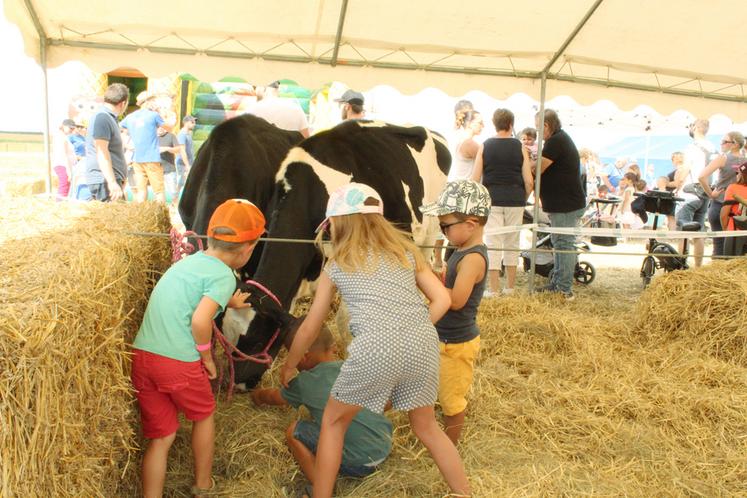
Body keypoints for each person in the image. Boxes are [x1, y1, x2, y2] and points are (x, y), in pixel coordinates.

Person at [280, 183, 470, 498]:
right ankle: (464, 493)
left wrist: (289, 364)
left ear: (339, 223)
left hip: (375, 349)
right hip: (423, 344)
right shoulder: (406, 252)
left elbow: (312, 324)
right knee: (427, 427)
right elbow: (442, 299)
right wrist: (412, 326)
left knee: (333, 423)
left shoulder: (338, 263)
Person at [130, 199, 264, 497]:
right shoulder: (223, 276)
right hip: (178, 362)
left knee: (162, 437)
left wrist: (228, 300)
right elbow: (201, 320)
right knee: (203, 416)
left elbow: (194, 294)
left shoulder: (191, 263)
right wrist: (207, 357)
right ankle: (203, 484)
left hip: (143, 358)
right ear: (247, 249)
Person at [251, 324, 393, 490]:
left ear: (303, 357)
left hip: (358, 463)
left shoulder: (303, 383)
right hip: (384, 445)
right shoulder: (352, 368)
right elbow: (387, 402)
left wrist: (257, 396)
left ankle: (321, 483)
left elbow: (274, 397)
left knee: (294, 432)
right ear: (333, 348)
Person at [420, 179, 489, 444]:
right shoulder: (460, 250)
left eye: (445, 225)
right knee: (438, 388)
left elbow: (457, 300)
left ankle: (449, 446)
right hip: (443, 335)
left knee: (452, 400)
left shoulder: (473, 258)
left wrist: (426, 283)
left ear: (470, 224)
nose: (442, 231)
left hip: (457, 343)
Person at [472, 108, 533, 295]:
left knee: (493, 242)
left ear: (494, 124)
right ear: (511, 125)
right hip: (515, 199)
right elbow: (529, 181)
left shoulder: (485, 145)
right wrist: (522, 198)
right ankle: (510, 287)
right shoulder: (519, 146)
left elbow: (475, 178)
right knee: (512, 243)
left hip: (492, 199)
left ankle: (494, 289)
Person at [534, 109, 587, 300]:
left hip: (566, 204)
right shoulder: (558, 139)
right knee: (560, 243)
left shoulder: (556, 141)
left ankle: (564, 288)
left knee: (564, 244)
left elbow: (538, 168)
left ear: (546, 125)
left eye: (539, 129)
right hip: (563, 203)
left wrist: (525, 161)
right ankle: (558, 283)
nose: (538, 134)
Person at [676, 118, 717, 267]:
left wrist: (677, 186)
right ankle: (698, 266)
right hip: (705, 191)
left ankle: (681, 265)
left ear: (695, 128)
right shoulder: (713, 147)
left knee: (683, 230)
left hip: (690, 191)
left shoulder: (692, 147)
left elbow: (686, 168)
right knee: (699, 231)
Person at [698, 131, 744, 257]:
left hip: (720, 204)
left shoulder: (722, 158)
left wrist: (711, 194)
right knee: (737, 248)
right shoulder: (745, 160)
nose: (721, 144)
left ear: (734, 144)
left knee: (719, 245)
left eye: (724, 142)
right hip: (740, 208)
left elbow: (702, 177)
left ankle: (717, 275)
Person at [84, 83, 130, 202]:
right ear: (123, 103)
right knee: (117, 219)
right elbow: (101, 151)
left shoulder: (108, 117)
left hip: (108, 180)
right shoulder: (102, 117)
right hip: (103, 181)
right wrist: (112, 182)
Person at [121, 91, 166, 203]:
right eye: (153, 100)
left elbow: (121, 130)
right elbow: (168, 126)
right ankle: (161, 216)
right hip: (152, 157)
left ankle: (141, 216)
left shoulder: (130, 117)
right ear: (147, 102)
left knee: (141, 190)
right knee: (158, 191)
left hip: (137, 158)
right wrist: (160, 111)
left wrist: (127, 145)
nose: (155, 102)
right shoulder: (154, 115)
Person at [157, 126, 186, 207]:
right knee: (159, 192)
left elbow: (178, 149)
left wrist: (167, 148)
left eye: (161, 127)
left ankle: (176, 207)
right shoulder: (152, 137)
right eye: (157, 127)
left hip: (169, 168)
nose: (159, 128)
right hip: (156, 169)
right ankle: (162, 209)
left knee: (173, 191)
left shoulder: (171, 136)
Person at [51, 118, 76, 199]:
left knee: (65, 186)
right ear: (64, 126)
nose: (72, 130)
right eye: (70, 128)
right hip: (62, 165)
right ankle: (59, 205)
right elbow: (64, 155)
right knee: (64, 186)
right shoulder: (61, 137)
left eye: (73, 128)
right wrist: (69, 171)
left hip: (63, 164)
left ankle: (61, 204)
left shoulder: (63, 136)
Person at [176, 115, 196, 191]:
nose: (194, 124)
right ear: (186, 123)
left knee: (186, 183)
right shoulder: (182, 134)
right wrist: (187, 165)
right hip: (182, 163)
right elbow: (182, 150)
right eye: (192, 122)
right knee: (181, 183)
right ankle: (175, 200)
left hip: (189, 162)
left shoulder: (188, 134)